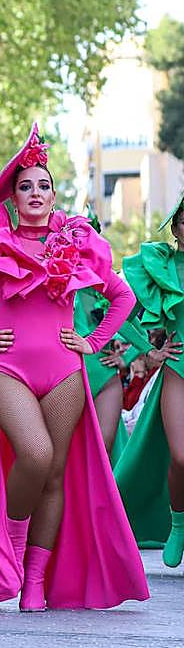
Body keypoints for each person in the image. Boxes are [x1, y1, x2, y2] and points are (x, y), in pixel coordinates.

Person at [0, 123, 147, 611]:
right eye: (24, 185)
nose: (34, 192)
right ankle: (8, 544)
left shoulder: (76, 241)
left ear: (53, 195)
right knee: (35, 453)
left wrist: (91, 341)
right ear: (12, 196)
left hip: (66, 371)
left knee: (53, 475)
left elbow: (122, 295)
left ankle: (34, 581)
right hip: (8, 370)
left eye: (43, 185)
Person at [114, 191, 184, 566]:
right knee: (182, 456)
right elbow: (121, 310)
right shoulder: (161, 265)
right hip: (178, 368)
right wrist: (148, 349)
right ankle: (178, 523)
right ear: (175, 227)